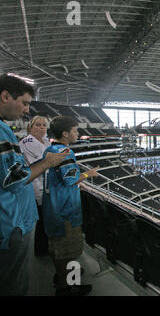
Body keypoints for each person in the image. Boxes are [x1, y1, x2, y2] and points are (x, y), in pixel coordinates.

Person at [0, 74, 69, 296]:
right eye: (25, 103)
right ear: (5, 96)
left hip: (14, 219)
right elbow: (13, 178)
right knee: (14, 285)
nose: (26, 109)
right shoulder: (3, 131)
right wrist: (48, 162)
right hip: (12, 222)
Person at [42, 116, 99, 296]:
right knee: (70, 253)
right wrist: (88, 175)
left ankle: (61, 277)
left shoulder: (50, 149)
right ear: (65, 133)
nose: (78, 133)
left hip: (53, 208)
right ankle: (69, 286)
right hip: (66, 210)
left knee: (57, 249)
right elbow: (70, 179)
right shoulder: (65, 151)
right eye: (75, 131)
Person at [19, 115, 51, 257]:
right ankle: (41, 250)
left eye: (44, 125)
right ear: (30, 127)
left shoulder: (45, 141)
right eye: (37, 125)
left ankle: (44, 246)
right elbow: (41, 164)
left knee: (45, 219)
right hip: (35, 185)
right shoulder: (27, 142)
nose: (41, 127)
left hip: (46, 185)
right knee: (41, 221)